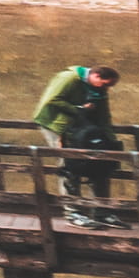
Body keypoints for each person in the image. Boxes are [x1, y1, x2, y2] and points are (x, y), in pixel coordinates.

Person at [34, 57, 125, 219]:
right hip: (56, 124)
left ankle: (100, 210)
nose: (107, 88)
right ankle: (72, 211)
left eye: (110, 86)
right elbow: (52, 99)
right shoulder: (69, 78)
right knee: (69, 164)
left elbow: (104, 115)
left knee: (100, 163)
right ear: (95, 76)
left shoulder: (99, 89)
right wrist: (79, 109)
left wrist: (110, 139)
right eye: (105, 84)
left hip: (82, 126)